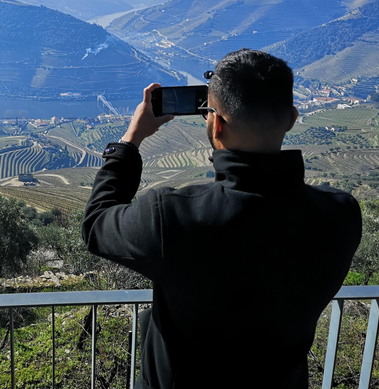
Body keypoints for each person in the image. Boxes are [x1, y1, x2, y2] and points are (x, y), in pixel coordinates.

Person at [82, 49, 362, 388]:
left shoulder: (171, 216)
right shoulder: (339, 216)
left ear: (216, 126)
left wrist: (130, 140)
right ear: (291, 118)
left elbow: (97, 224)